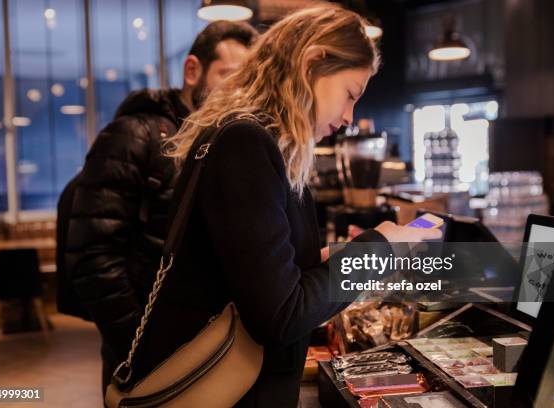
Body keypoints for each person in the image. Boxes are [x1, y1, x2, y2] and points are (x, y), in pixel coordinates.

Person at [131, 5, 441, 407]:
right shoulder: (247, 143)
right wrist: (378, 249)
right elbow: (280, 315)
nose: (349, 117)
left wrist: (335, 254)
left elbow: (256, 270)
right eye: (350, 95)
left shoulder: (251, 139)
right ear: (311, 62)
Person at [62, 20, 258, 395]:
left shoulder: (224, 143)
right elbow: (92, 255)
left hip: (209, 351)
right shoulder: (134, 135)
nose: (239, 92)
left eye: (247, 81)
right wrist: (141, 344)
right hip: (145, 353)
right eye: (229, 76)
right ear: (192, 70)